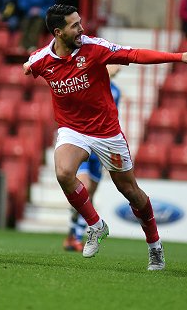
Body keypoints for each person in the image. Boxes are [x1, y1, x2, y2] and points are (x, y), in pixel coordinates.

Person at [23, 4, 187, 270]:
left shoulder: (94, 48)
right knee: (64, 173)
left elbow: (134, 54)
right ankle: (96, 225)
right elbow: (31, 63)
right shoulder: (43, 59)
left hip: (106, 132)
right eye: (74, 25)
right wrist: (27, 66)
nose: (81, 29)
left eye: (80, 22)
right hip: (73, 130)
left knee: (130, 192)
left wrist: (179, 57)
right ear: (58, 32)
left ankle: (154, 244)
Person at [63, 64, 121, 252]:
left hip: (101, 148)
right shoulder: (88, 84)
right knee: (85, 188)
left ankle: (72, 232)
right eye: (114, 63)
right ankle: (78, 238)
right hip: (84, 143)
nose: (118, 67)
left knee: (89, 195)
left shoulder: (117, 91)